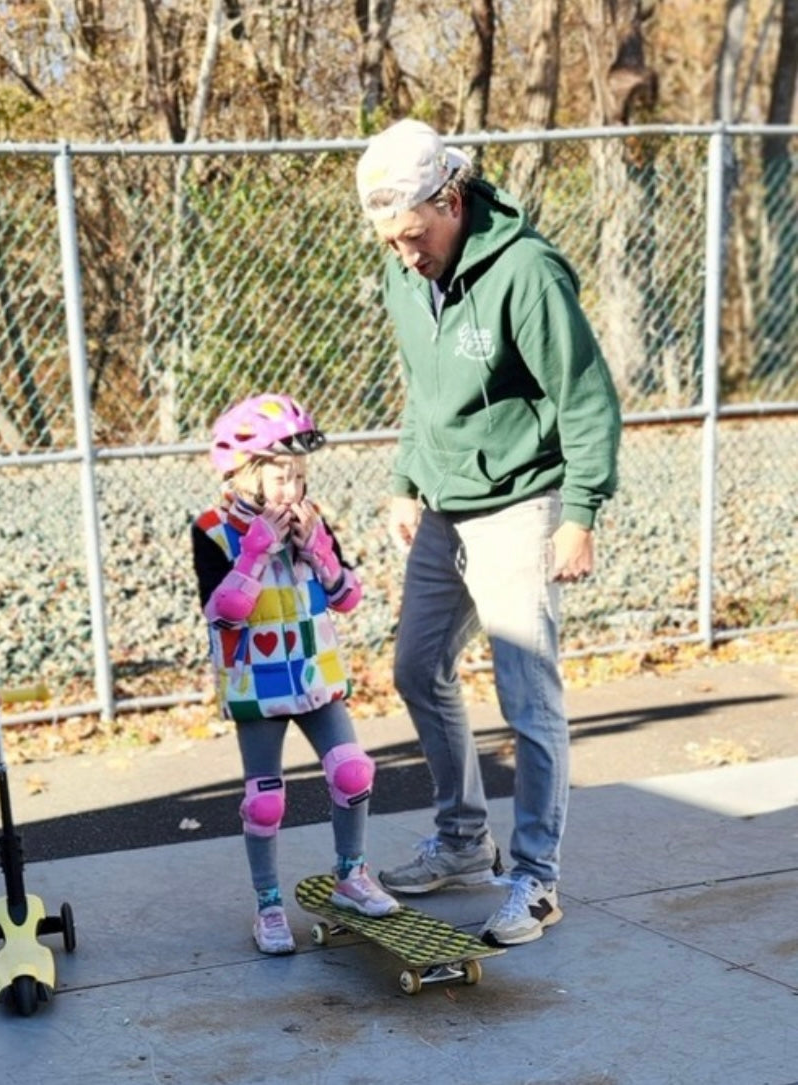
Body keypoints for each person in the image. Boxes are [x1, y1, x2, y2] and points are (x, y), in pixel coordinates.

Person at [354, 119, 622, 946]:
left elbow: (585, 398)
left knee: (526, 691)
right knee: (417, 667)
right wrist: (406, 478)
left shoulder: (526, 273)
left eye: (413, 236)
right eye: (390, 242)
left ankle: (535, 878)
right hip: (442, 503)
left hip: (519, 500)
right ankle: (465, 843)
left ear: (451, 199)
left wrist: (580, 512)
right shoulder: (408, 275)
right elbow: (422, 386)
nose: (405, 255)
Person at [191, 393, 399, 954]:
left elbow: (347, 597)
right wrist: (254, 553)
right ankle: (269, 906)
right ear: (244, 474)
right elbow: (224, 611)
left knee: (353, 770)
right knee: (265, 800)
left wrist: (321, 551)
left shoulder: (311, 518)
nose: (293, 489)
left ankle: (351, 877)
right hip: (257, 681)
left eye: (299, 475)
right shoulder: (213, 529)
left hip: (314, 670)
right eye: (281, 476)